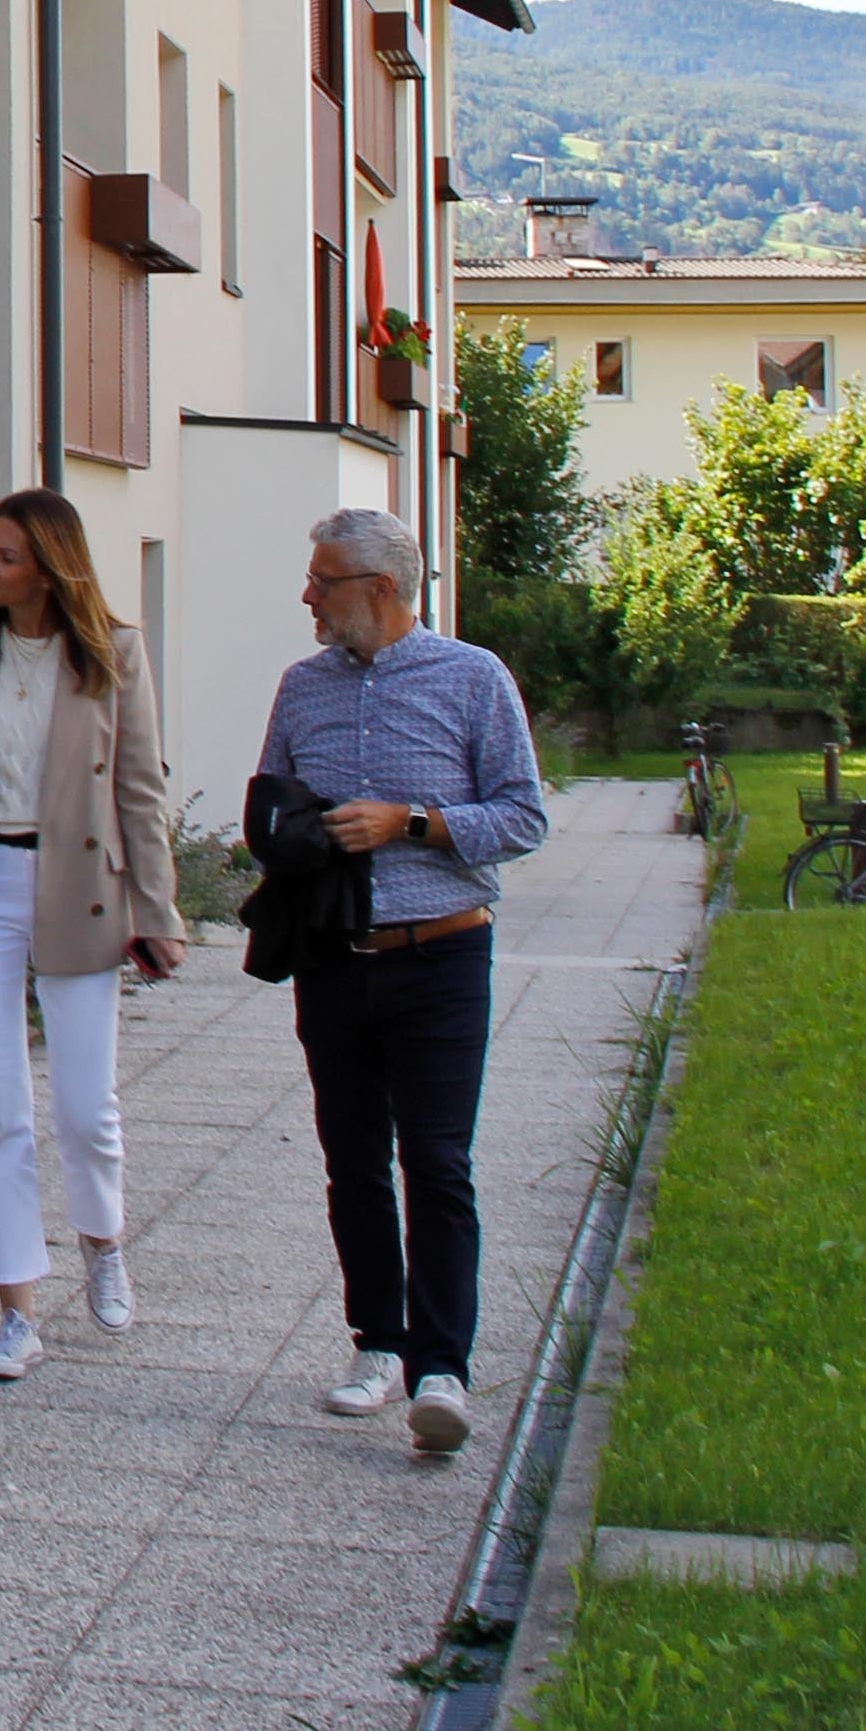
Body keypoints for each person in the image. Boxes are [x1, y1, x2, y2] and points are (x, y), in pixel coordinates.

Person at [260, 507, 550, 1454]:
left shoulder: (473, 678)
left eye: (322, 579)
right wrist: (291, 834)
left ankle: (442, 1367)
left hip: (442, 954)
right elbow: (267, 802)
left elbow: (521, 818)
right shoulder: (300, 688)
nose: (307, 595)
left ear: (379, 589)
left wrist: (408, 823)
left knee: (436, 1162)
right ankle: (374, 1344)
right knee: (351, 1161)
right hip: (334, 958)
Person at [0, 491, 182, 1381]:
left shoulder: (112, 654)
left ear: (50, 565)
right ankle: (15, 1311)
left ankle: (102, 1239)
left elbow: (139, 792)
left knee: (85, 1109)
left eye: (6, 555)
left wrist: (158, 914)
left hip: (81, 889)